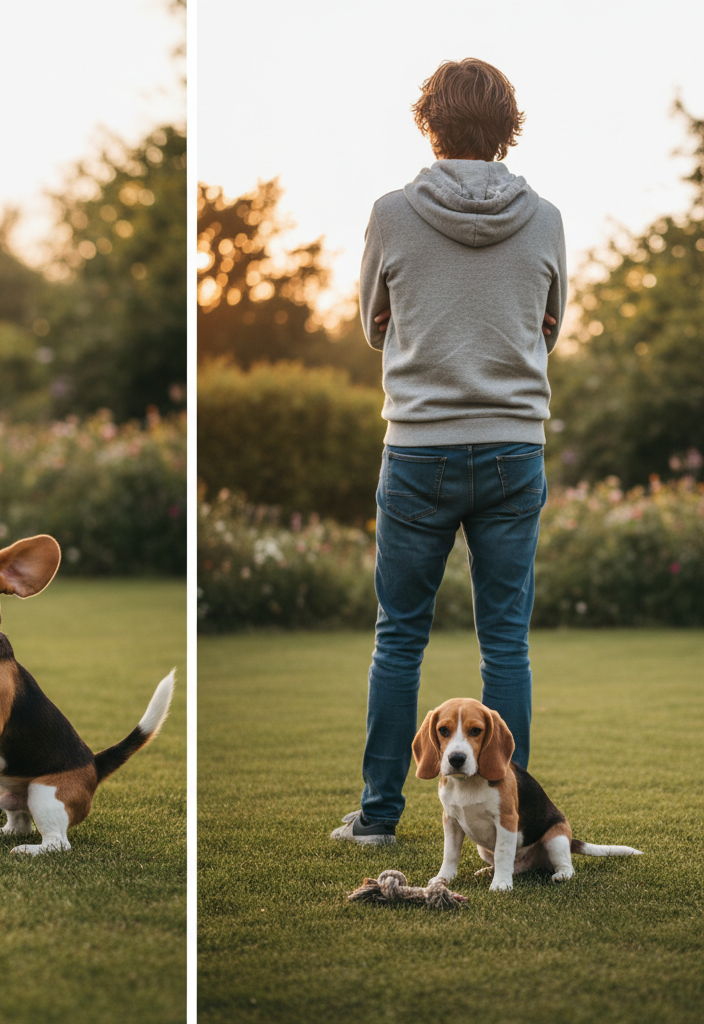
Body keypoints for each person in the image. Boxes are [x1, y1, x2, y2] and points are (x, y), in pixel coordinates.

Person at [331, 58, 567, 846]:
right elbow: (550, 325)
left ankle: (377, 817)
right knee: (507, 639)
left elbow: (373, 324)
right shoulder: (547, 219)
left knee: (400, 633)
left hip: (420, 451)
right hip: (512, 449)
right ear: (507, 128)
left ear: (429, 122)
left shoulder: (391, 213)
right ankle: (516, 823)